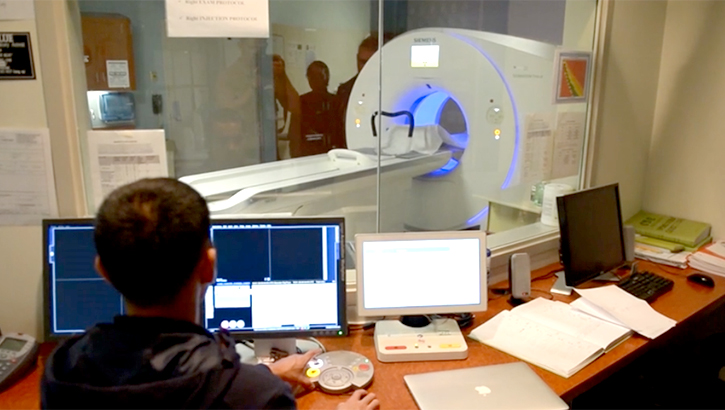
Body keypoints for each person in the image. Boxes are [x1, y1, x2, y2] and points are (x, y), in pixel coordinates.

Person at [40, 178, 380, 410]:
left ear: (103, 270)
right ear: (209, 266)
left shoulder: (62, 372)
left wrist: (264, 374)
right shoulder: (256, 398)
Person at [334, 33, 392, 146]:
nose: (365, 67)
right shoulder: (345, 91)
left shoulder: (390, 89)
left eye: (369, 62)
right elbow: (337, 132)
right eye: (362, 62)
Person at [299, 61, 342, 156]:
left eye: (319, 76)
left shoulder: (336, 101)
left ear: (327, 78)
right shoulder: (302, 101)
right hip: (307, 154)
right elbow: (295, 133)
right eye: (312, 76)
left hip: (333, 152)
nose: (316, 80)